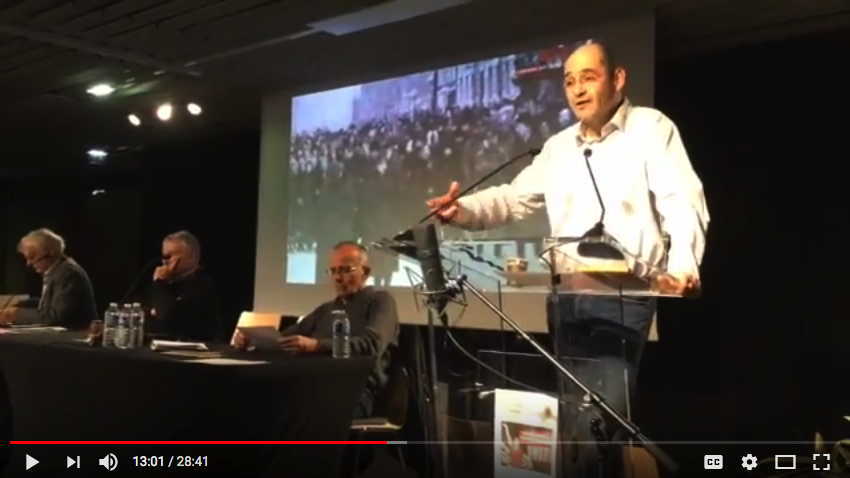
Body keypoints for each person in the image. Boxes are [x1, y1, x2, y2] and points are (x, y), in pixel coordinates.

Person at [426, 39, 709, 477]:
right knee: (574, 421)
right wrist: (462, 210)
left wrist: (683, 266)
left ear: (617, 79)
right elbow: (514, 199)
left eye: (588, 77)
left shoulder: (650, 128)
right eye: (569, 81)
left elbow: (682, 199)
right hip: (565, 298)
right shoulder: (559, 147)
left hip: (621, 298)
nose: (577, 89)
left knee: (602, 423)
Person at [235, 241, 399, 418]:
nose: (337, 277)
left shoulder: (380, 301)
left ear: (365, 272)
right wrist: (254, 340)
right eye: (333, 271)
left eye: (345, 270)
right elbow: (284, 339)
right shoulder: (326, 310)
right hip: (314, 386)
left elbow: (372, 344)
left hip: (354, 392)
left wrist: (316, 345)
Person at [0, 228, 97, 329]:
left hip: (76, 337)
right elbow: (50, 304)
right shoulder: (57, 270)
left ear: (51, 253)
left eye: (32, 257)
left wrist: (15, 314)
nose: (28, 263)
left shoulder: (68, 273)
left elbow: (56, 316)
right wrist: (19, 304)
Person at [137, 230, 220, 342]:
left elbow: (168, 319)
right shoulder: (165, 283)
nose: (164, 261)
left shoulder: (202, 284)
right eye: (163, 256)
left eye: (169, 256)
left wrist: (160, 283)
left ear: (190, 257)